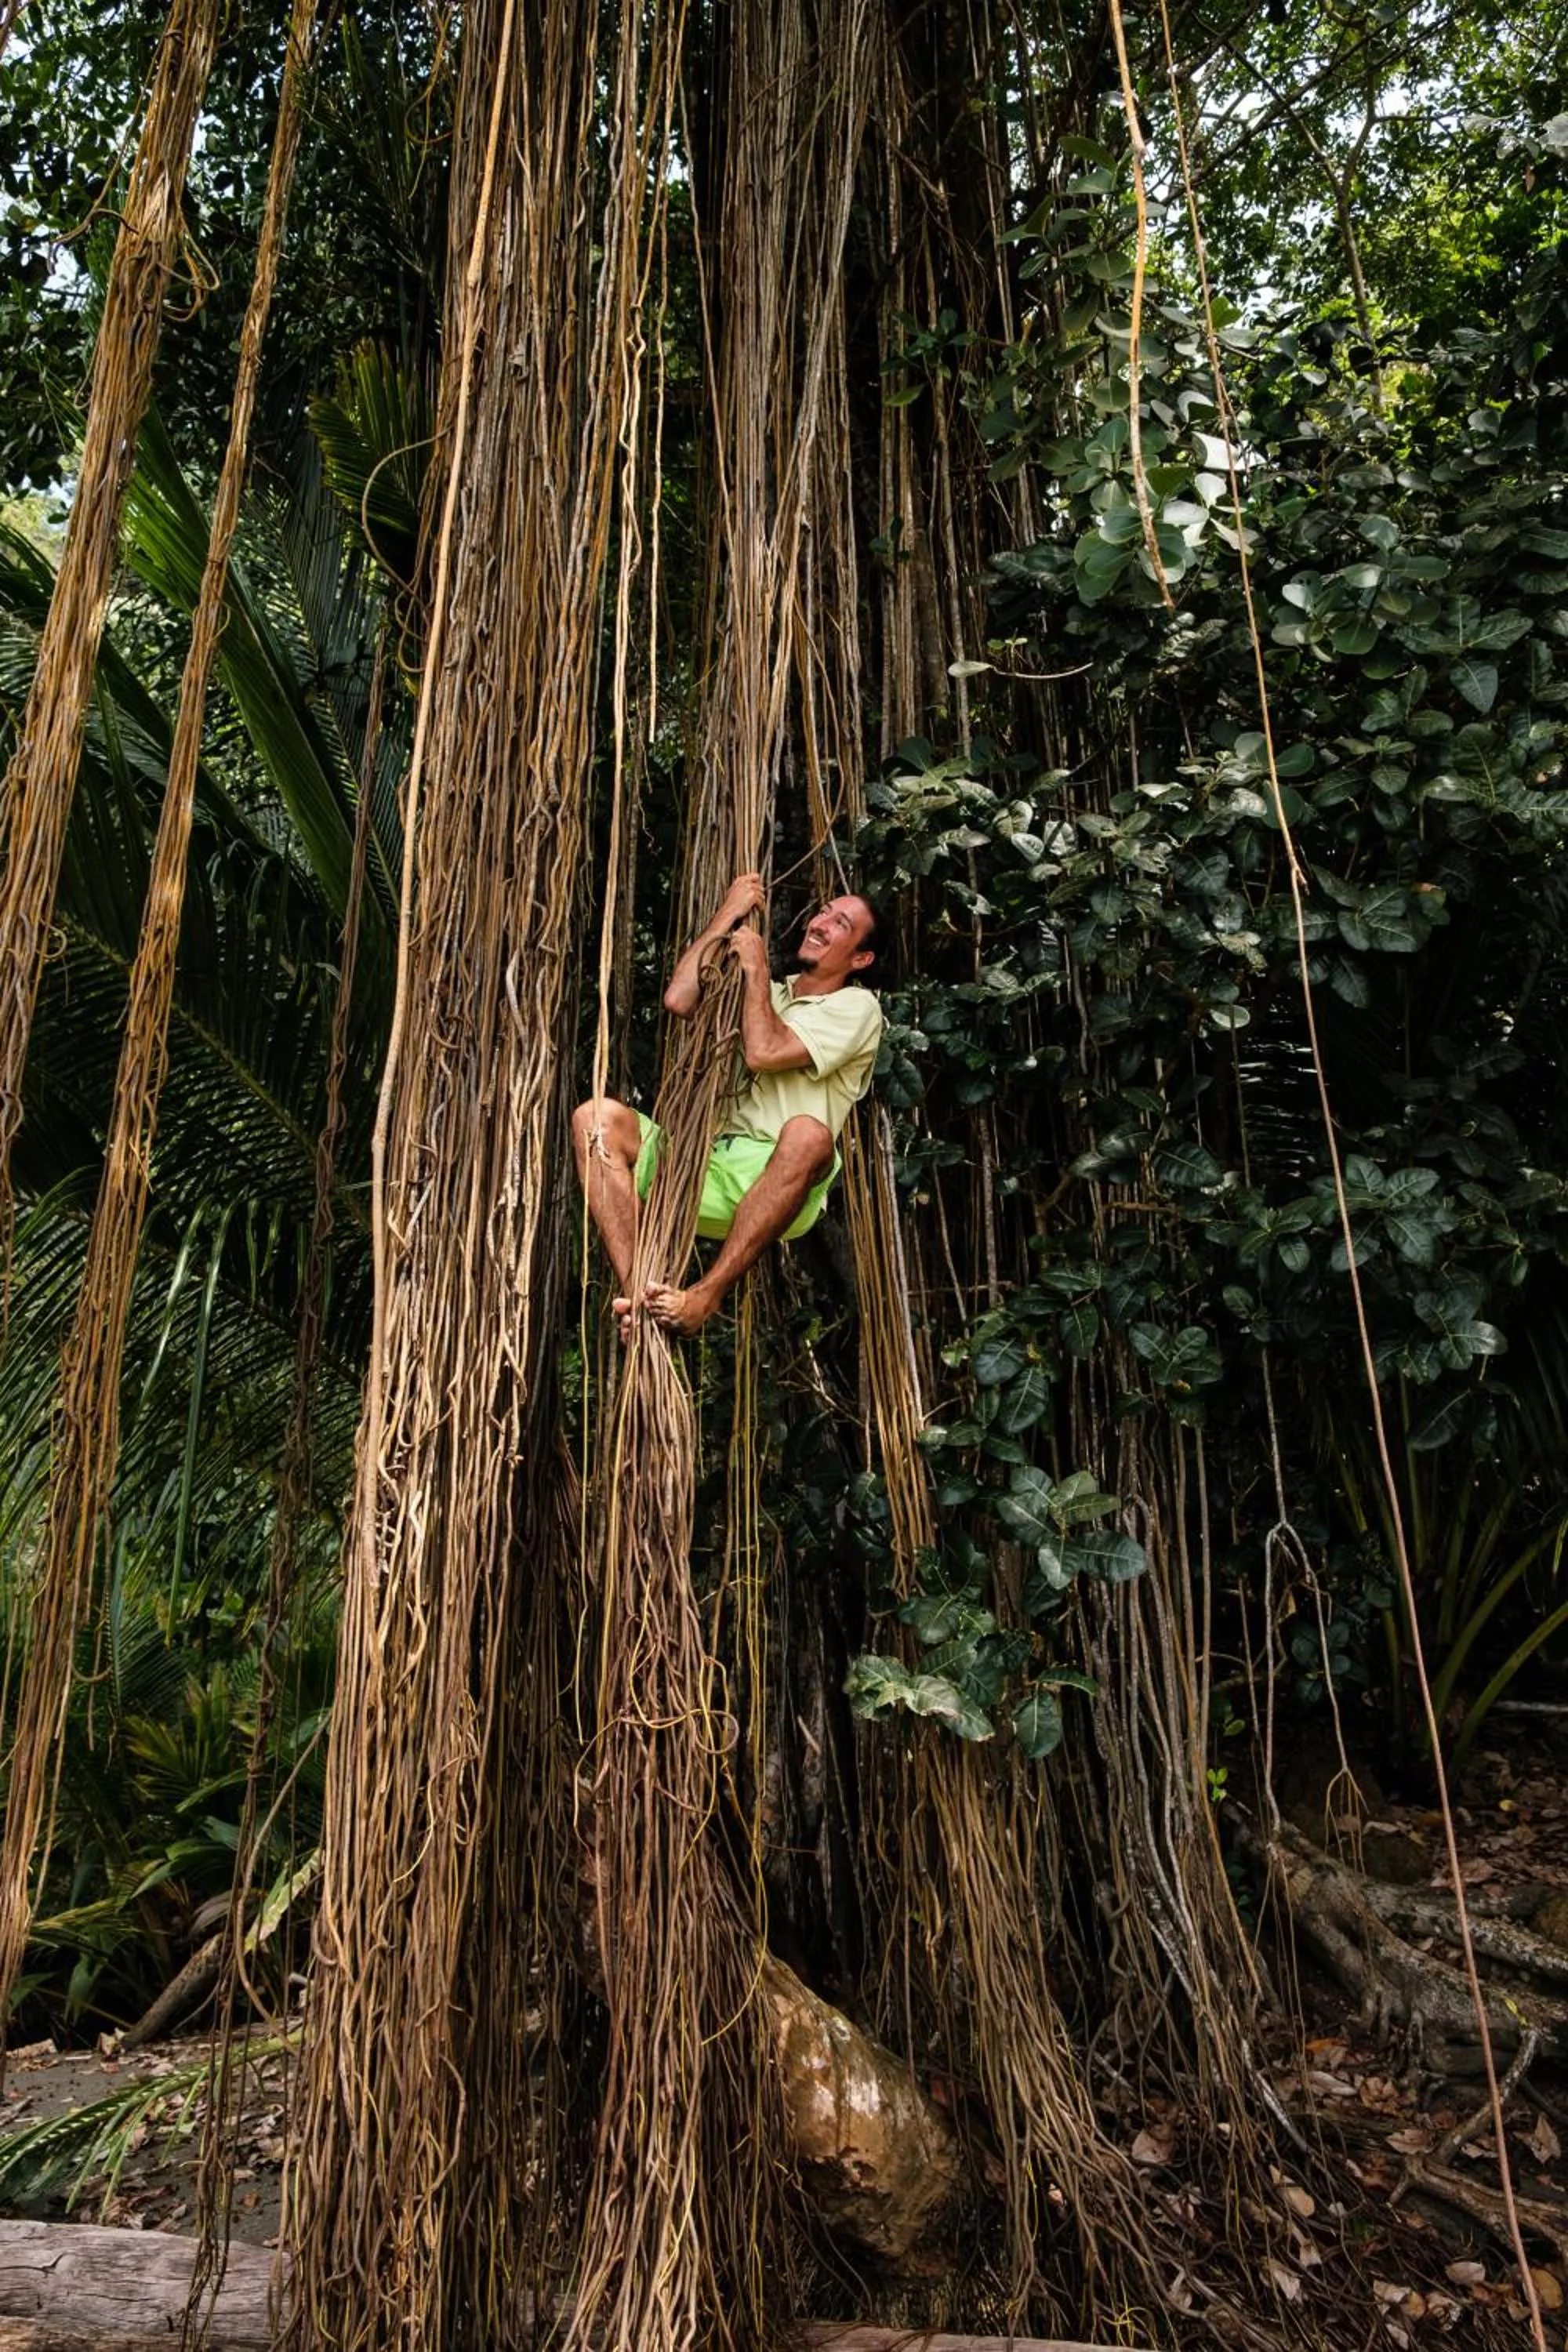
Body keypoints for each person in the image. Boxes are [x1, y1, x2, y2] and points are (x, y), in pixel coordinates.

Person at [572, 873, 884, 1335]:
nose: (821, 923)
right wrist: (728, 913)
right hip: (703, 1165)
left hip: (772, 1182)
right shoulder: (771, 994)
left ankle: (704, 1297)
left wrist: (756, 968)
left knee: (809, 1132)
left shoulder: (857, 1009)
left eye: (841, 923)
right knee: (594, 1118)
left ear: (861, 957)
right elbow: (680, 998)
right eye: (823, 911)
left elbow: (765, 1052)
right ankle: (641, 1293)